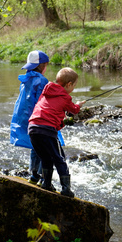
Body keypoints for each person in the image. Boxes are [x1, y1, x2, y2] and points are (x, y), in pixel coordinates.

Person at [28, 67, 86, 198]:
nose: (73, 88)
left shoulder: (46, 91)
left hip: (32, 128)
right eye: (74, 85)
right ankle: (66, 188)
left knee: (45, 157)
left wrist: (61, 121)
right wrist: (78, 105)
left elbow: (47, 110)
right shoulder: (65, 97)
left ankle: (46, 184)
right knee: (59, 159)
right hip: (47, 130)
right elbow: (74, 110)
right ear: (69, 84)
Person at [10, 50, 55, 185]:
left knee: (35, 147)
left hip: (26, 118)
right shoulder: (42, 80)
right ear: (42, 66)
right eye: (46, 65)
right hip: (39, 119)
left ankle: (34, 176)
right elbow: (43, 101)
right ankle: (43, 178)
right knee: (47, 149)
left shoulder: (26, 79)